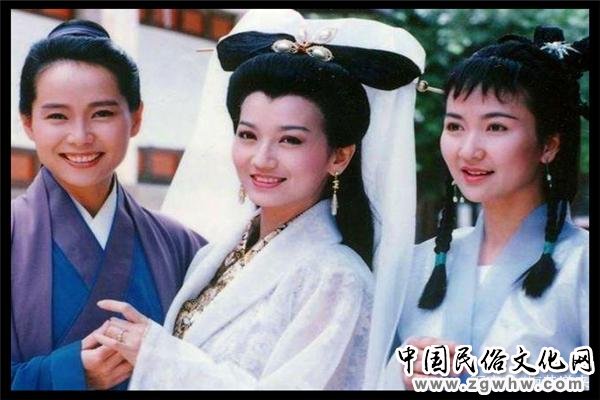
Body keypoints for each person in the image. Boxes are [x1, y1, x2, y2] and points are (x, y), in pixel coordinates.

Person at [92, 9, 425, 390]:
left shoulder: (337, 278)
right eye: (248, 135)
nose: (262, 159)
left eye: (290, 140)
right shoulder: (218, 253)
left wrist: (156, 353)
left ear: (339, 157)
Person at [381, 26, 589, 389]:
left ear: (549, 145)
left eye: (495, 127)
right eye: (455, 126)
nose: (468, 150)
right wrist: (402, 376)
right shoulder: (420, 264)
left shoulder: (581, 267)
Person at [11, 19, 206, 390]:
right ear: (28, 123)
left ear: (136, 118)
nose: (80, 137)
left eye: (102, 113)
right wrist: (68, 375)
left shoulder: (183, 246)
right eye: (57, 116)